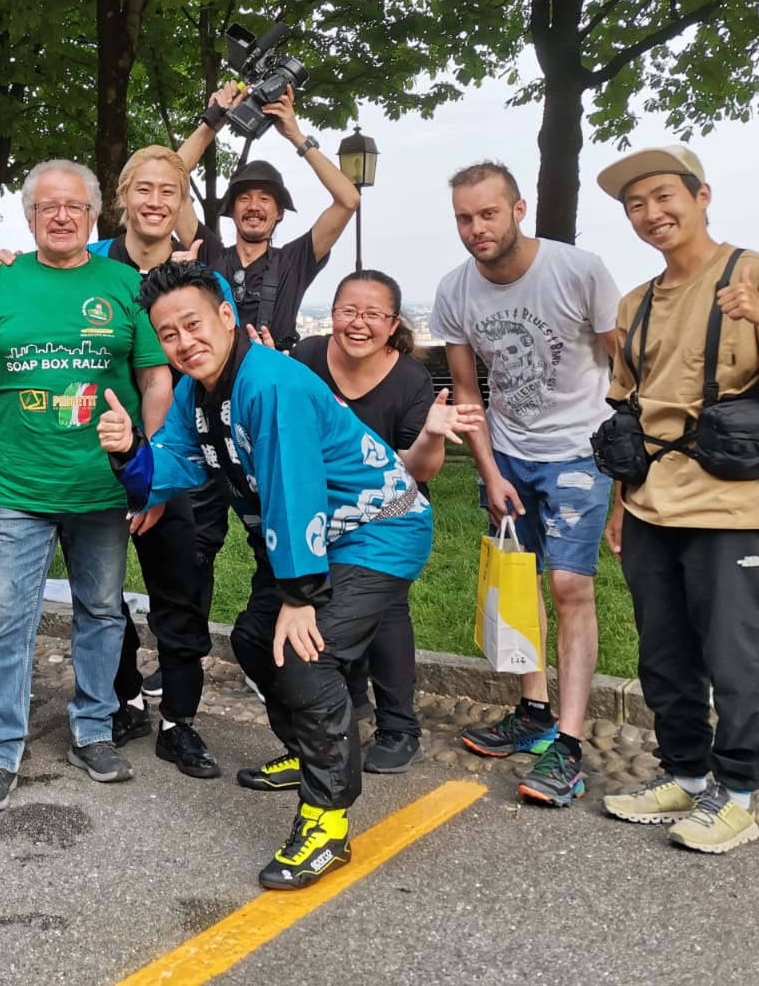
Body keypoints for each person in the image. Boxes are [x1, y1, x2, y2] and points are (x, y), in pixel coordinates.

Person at [97, 260, 433, 890]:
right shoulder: (197, 392)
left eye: (192, 324)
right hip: (314, 539)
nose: (183, 342)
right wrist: (127, 451)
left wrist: (301, 597)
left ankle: (327, 821)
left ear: (226, 316)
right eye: (167, 334)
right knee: (254, 638)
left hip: (376, 530)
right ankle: (311, 750)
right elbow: (168, 469)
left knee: (307, 654)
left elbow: (294, 489)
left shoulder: (270, 384)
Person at [594, 146, 759, 854]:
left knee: (736, 652)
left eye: (665, 197)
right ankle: (688, 775)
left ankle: (741, 793)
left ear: (702, 196)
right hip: (651, 503)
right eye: (636, 205)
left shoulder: (756, 274)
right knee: (663, 651)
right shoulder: (634, 305)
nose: (652, 214)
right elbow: (628, 415)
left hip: (734, 505)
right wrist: (618, 506)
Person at [0, 160, 174, 812]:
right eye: (47, 205)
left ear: (95, 215)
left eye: (74, 206)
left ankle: (94, 728)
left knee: (102, 612)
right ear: (28, 215)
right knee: (2, 619)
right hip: (13, 487)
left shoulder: (126, 284)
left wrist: (148, 468)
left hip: (101, 490)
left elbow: (157, 379)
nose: (61, 215)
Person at [429, 161, 619, 807]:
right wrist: (489, 470)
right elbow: (465, 391)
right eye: (464, 217)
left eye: (487, 213)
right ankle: (532, 709)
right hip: (508, 453)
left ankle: (567, 745)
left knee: (570, 586)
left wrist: (624, 477)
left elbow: (625, 375)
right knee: (520, 585)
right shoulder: (455, 292)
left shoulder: (579, 270)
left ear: (518, 209)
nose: (476, 228)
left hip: (581, 451)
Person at [173, 83, 362, 597]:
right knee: (195, 538)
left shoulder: (296, 259)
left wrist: (295, 133)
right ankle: (182, 663)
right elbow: (171, 178)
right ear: (231, 210)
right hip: (209, 408)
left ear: (280, 213)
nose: (255, 207)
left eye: (267, 200)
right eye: (245, 199)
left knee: (277, 531)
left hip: (272, 406)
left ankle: (277, 648)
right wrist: (214, 118)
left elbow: (348, 199)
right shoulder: (207, 251)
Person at [291, 270, 483, 773]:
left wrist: (433, 436)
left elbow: (417, 472)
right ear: (331, 313)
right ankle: (350, 701)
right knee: (327, 600)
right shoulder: (307, 358)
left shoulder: (411, 380)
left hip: (390, 515)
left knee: (387, 609)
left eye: (373, 314)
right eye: (348, 311)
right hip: (324, 511)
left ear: (392, 322)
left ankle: (401, 728)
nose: (359, 324)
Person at [89, 146, 228, 778]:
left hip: (183, 463)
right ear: (122, 197)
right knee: (102, 592)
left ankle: (180, 722)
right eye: (142, 190)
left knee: (181, 595)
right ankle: (121, 699)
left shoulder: (202, 280)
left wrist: (156, 479)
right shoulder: (86, 267)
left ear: (182, 204)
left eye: (167, 192)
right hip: (100, 461)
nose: (154, 202)